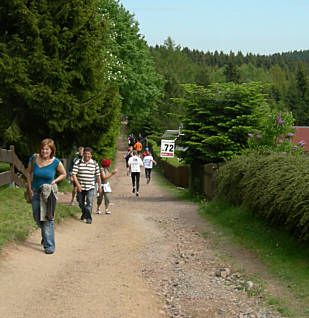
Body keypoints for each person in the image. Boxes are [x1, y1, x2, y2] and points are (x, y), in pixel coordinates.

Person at [26, 138, 67, 254]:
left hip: (48, 193)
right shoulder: (34, 159)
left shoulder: (56, 162)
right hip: (35, 191)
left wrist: (55, 181)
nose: (44, 151)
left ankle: (49, 246)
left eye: (47, 149)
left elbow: (64, 174)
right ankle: (46, 235)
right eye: (43, 149)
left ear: (51, 150)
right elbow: (28, 173)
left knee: (48, 219)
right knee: (37, 217)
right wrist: (29, 189)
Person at [72, 147, 101, 224]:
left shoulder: (94, 164)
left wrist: (99, 187)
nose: (87, 155)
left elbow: (98, 176)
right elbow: (74, 174)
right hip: (80, 186)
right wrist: (77, 185)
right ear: (83, 154)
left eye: (89, 154)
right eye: (85, 153)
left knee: (89, 202)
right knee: (80, 202)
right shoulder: (78, 162)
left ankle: (89, 218)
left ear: (91, 155)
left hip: (90, 186)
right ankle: (84, 212)